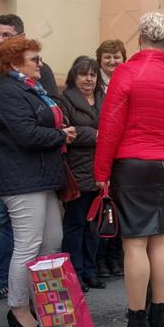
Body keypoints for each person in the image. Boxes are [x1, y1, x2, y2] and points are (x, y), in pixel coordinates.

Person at [93, 12, 164, 327]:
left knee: (134, 243)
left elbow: (109, 128)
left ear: (139, 39)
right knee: (160, 240)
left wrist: (101, 173)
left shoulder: (126, 73)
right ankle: (159, 316)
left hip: (132, 162)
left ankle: (136, 320)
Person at [0, 14, 58, 304]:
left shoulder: (39, 76)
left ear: (19, 38)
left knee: (44, 237)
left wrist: (56, 132)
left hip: (34, 164)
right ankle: (6, 288)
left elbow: (52, 112)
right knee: (5, 223)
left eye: (6, 35)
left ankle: (37, 297)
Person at [0, 37, 75, 327]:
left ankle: (44, 302)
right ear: (15, 63)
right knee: (27, 246)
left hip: (42, 177)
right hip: (21, 180)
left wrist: (60, 131)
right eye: (34, 59)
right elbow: (25, 134)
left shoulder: (31, 90)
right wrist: (61, 135)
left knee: (52, 241)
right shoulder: (7, 92)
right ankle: (18, 307)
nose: (41, 63)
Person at [60, 57, 106, 293]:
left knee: (95, 226)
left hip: (100, 170)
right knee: (75, 224)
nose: (89, 79)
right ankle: (74, 273)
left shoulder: (103, 98)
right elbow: (68, 132)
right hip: (77, 171)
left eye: (93, 75)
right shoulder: (65, 99)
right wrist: (97, 135)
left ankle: (90, 271)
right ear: (74, 77)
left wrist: (94, 133)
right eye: (83, 74)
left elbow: (114, 126)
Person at [95, 39, 128, 278]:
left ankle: (115, 258)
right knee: (102, 211)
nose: (112, 61)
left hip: (124, 155)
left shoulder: (127, 80)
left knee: (119, 210)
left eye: (116, 56)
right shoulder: (93, 85)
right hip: (101, 153)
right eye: (107, 57)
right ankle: (100, 260)